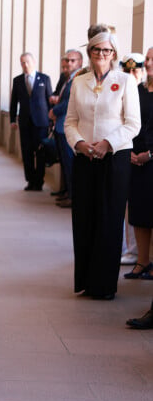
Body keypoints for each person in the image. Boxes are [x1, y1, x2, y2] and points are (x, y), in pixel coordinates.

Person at [64, 31, 141, 300]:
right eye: (96, 50)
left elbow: (133, 123)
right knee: (84, 216)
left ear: (114, 54)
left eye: (106, 51)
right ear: (90, 52)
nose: (101, 55)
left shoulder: (125, 81)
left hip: (115, 157)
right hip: (85, 156)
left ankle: (104, 285)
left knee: (109, 218)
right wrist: (80, 143)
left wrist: (108, 142)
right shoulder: (79, 81)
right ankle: (85, 280)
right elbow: (70, 121)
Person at [122, 50, 153, 279]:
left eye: (150, 59)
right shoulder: (137, 91)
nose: (147, 63)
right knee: (139, 213)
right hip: (135, 158)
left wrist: (150, 154)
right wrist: (130, 152)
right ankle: (142, 262)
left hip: (152, 158)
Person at [10, 52, 53, 191]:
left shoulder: (45, 79)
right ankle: (30, 180)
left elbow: (49, 100)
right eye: (22, 62)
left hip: (41, 122)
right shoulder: (17, 80)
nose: (25, 65)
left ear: (34, 62)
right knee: (27, 152)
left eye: (27, 62)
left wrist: (52, 119)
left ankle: (39, 181)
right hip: (24, 122)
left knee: (40, 152)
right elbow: (13, 102)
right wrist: (12, 119)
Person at [48, 49, 83, 208]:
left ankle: (73, 196)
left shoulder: (78, 78)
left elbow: (70, 101)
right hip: (61, 127)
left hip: (67, 127)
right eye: (67, 60)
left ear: (80, 62)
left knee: (70, 164)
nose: (69, 63)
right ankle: (67, 192)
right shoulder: (67, 79)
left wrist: (54, 111)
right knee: (64, 163)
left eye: (72, 60)